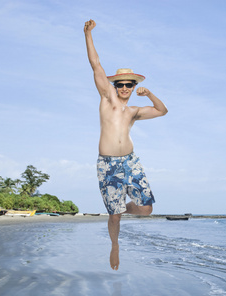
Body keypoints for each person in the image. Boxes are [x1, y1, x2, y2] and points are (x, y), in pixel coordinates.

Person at [84, 19, 168, 271]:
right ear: (113, 85)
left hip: (130, 162)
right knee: (114, 215)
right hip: (108, 164)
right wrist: (87, 34)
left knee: (147, 209)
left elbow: (162, 111)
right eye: (119, 84)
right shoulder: (106, 97)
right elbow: (95, 64)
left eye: (128, 84)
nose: (123, 87)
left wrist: (150, 94)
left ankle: (126, 207)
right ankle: (115, 245)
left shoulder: (134, 111)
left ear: (133, 86)